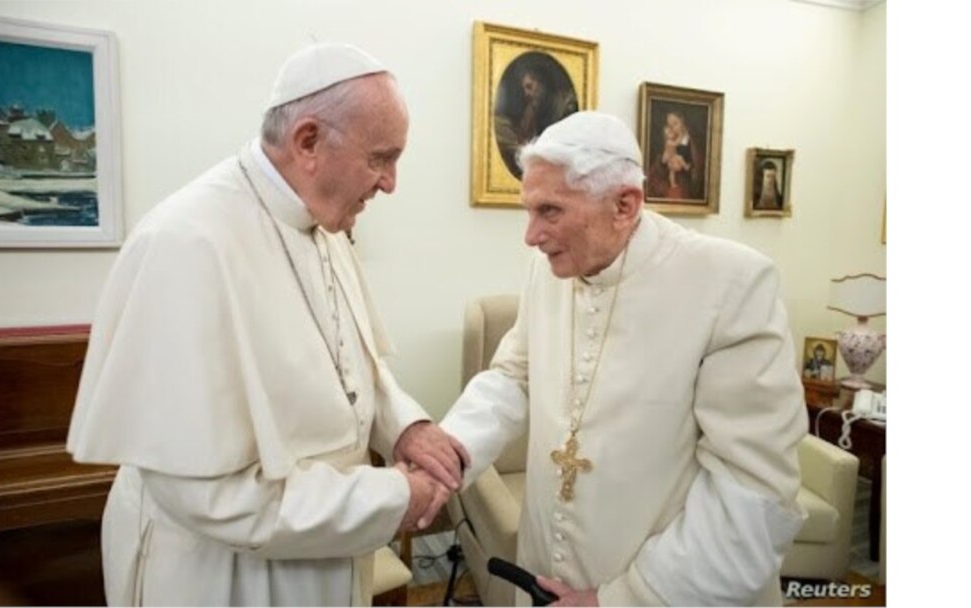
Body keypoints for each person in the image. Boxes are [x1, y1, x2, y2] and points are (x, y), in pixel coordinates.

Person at [66, 43, 468, 606]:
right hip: (224, 577)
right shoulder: (186, 244)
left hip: (321, 557)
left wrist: (406, 428)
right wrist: (392, 497)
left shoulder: (324, 224)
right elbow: (210, 497)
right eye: (381, 157)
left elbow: (357, 369)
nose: (390, 182)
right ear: (308, 142)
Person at [441, 111, 806, 606]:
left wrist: (618, 599)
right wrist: (444, 455)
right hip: (543, 573)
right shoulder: (546, 269)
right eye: (528, 210)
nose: (530, 235)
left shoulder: (731, 284)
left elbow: (752, 491)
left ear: (624, 205)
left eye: (550, 211)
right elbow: (512, 377)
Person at [645, 110, 705, 200]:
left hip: (687, 187)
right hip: (670, 184)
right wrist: (663, 161)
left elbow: (699, 170)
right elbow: (659, 166)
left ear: (682, 121)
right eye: (670, 125)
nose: (672, 128)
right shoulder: (669, 139)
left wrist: (687, 169)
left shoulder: (694, 141)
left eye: (675, 124)